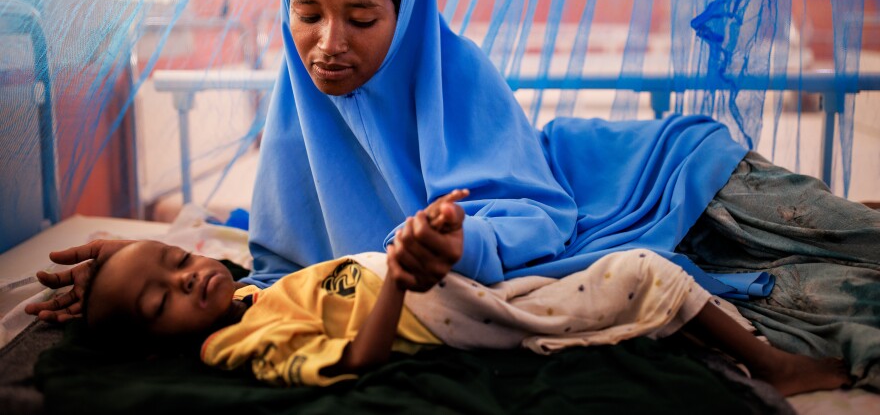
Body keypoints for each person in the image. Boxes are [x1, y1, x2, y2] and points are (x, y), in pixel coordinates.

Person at [27, 0, 880, 388]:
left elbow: (536, 210)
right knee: (828, 294)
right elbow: (280, 279)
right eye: (307, 16)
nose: (329, 43)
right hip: (568, 227)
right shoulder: (301, 125)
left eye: (362, 19)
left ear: (406, 23)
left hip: (643, 171)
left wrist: (465, 241)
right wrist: (138, 260)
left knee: (838, 231)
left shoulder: (457, 76)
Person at [81, 189, 849, 395]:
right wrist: (403, 277)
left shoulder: (246, 291)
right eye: (163, 298)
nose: (189, 275)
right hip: (428, 303)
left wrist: (438, 236)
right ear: (158, 339)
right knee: (643, 270)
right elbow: (354, 359)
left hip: (437, 276)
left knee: (606, 269)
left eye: (175, 259)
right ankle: (775, 365)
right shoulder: (231, 338)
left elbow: (207, 258)